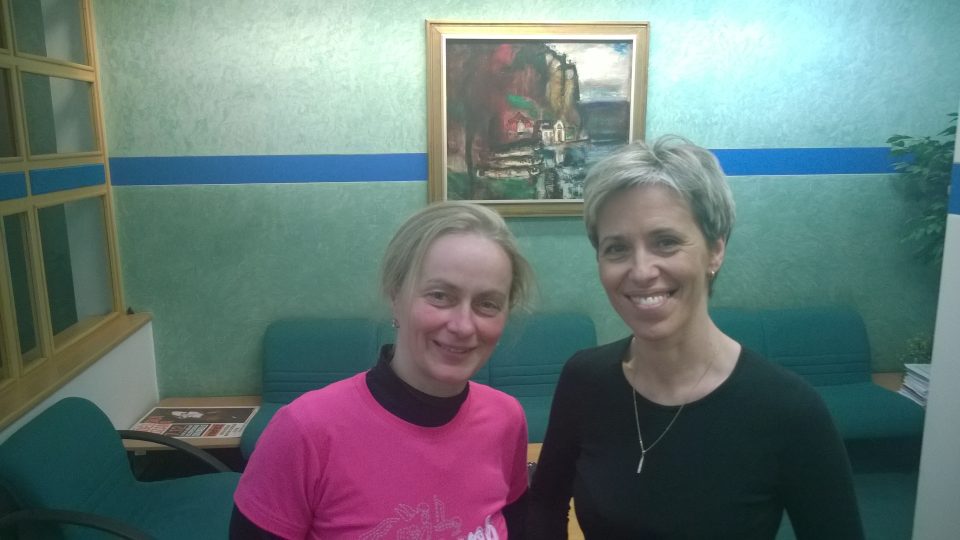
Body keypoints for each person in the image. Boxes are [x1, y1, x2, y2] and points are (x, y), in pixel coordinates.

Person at [526, 136, 864, 539]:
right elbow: (544, 505)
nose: (641, 270)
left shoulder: (789, 410)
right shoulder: (584, 380)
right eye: (617, 248)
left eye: (666, 242)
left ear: (715, 250)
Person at [232, 201, 535, 539]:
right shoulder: (304, 432)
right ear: (395, 296)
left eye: (487, 304)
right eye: (440, 296)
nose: (463, 325)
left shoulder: (507, 420)